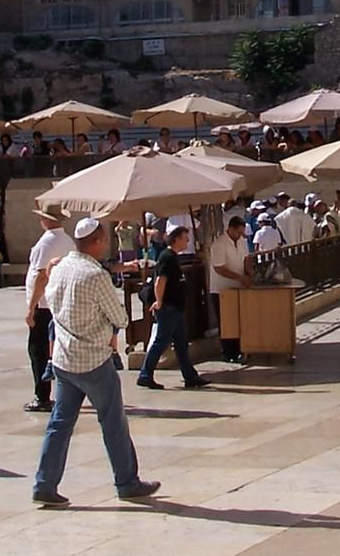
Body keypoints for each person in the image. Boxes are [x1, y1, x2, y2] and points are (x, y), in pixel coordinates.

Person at [31, 217, 160, 507]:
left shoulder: (61, 266)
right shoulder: (95, 275)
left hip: (64, 359)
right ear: (98, 241)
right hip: (93, 359)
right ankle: (126, 482)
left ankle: (45, 482)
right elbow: (120, 318)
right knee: (113, 421)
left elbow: (50, 302)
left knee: (60, 422)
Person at [137, 225, 210, 391]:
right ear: (176, 239)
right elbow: (160, 281)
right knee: (161, 341)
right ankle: (145, 374)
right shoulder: (167, 257)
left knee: (181, 343)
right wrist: (159, 301)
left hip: (175, 307)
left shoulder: (173, 257)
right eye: (185, 238)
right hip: (168, 307)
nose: (188, 241)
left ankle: (190, 376)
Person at [24, 202, 72, 413]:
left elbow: (41, 277)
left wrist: (31, 307)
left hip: (44, 305)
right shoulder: (68, 241)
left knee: (38, 350)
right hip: (60, 303)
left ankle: (42, 395)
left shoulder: (46, 243)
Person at [208, 215, 250, 363]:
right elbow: (219, 268)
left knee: (239, 319)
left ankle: (241, 348)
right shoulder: (219, 244)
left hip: (238, 288)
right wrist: (240, 278)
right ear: (230, 229)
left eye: (241, 232)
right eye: (237, 232)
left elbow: (246, 259)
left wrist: (248, 274)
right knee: (226, 322)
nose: (239, 235)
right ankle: (228, 352)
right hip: (221, 289)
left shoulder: (242, 242)